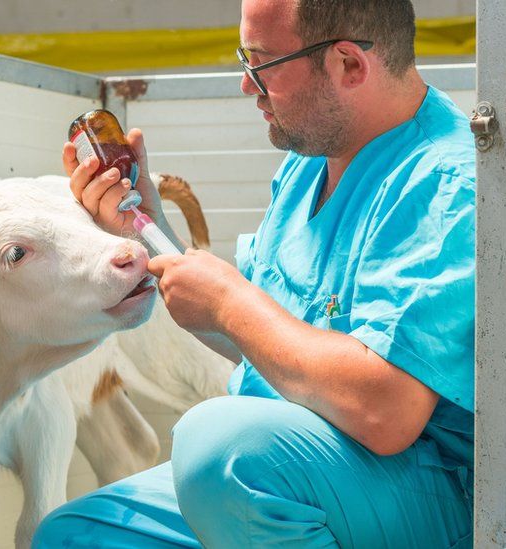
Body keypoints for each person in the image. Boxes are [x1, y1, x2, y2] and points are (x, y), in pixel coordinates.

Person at [34, 0, 475, 546]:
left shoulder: (445, 183)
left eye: (259, 63)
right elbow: (265, 344)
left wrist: (229, 302)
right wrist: (140, 223)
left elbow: (385, 412)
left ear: (348, 65)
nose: (247, 86)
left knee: (218, 445)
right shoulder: (309, 161)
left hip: (414, 490)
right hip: (281, 474)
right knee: (73, 535)